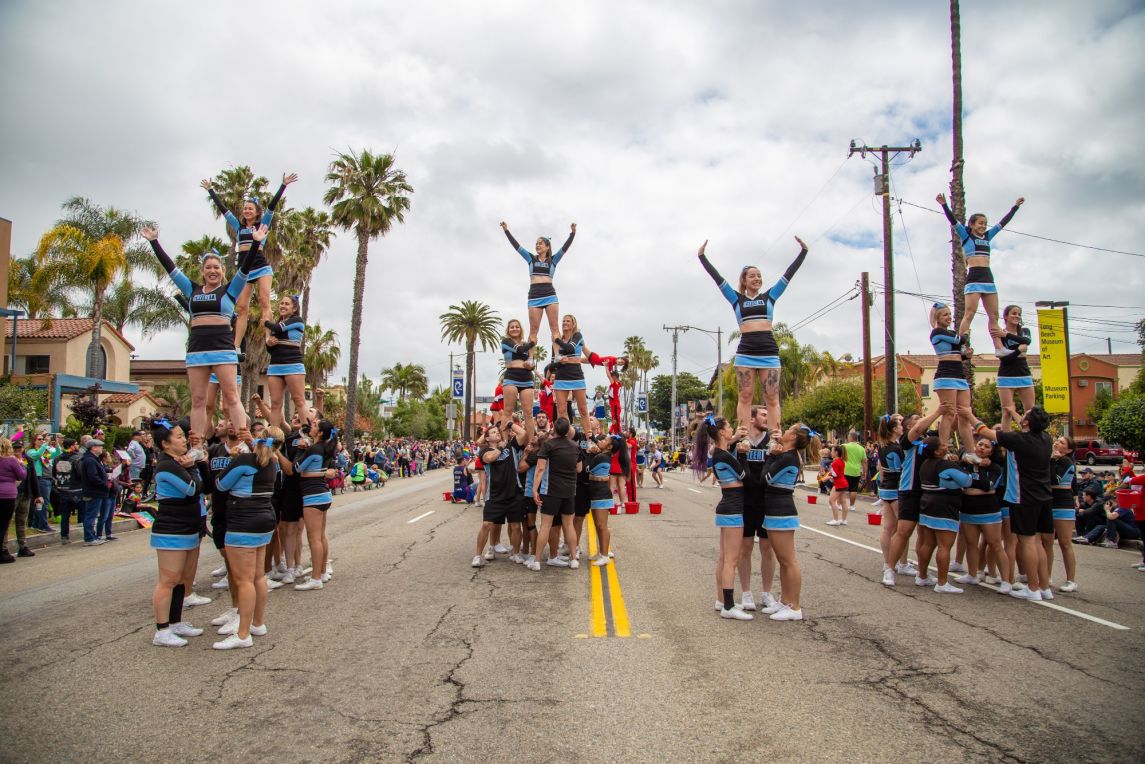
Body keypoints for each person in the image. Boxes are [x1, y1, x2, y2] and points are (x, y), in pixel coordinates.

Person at [143, 224, 265, 438]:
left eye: (216, 267)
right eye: (208, 267)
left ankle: (244, 440)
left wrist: (255, 243)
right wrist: (154, 242)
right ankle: (197, 444)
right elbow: (170, 268)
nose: (212, 271)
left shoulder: (230, 290)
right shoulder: (191, 290)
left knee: (231, 397)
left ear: (223, 271)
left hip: (223, 349)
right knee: (199, 400)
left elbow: (245, 269)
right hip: (197, 350)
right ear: (202, 271)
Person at [697, 237, 808, 429]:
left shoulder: (770, 297)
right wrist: (702, 257)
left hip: (768, 351)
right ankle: (743, 435)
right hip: (746, 351)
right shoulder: (735, 299)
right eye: (752, 276)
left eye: (759, 275)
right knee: (745, 395)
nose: (757, 278)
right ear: (744, 280)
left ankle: (775, 435)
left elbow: (788, 275)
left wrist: (803, 252)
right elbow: (717, 279)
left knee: (771, 397)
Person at [202, 172, 297, 358]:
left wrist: (283, 186)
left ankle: (269, 336)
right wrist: (211, 190)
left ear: (256, 211)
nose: (247, 211)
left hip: (261, 267)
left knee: (264, 300)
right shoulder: (238, 227)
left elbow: (271, 207)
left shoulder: (263, 225)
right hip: (244, 269)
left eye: (250, 208)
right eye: (245, 208)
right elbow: (223, 210)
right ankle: (236, 346)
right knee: (242, 307)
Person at [975, 407, 1055, 601]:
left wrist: (968, 414)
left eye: (1024, 415)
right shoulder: (1046, 439)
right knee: (1037, 542)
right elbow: (1019, 427)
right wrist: (1009, 413)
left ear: (1026, 423)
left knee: (1027, 541)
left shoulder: (1020, 440)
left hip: (1023, 497)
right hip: (1043, 496)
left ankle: (1033, 588)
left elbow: (984, 431)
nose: (1022, 417)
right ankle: (1044, 587)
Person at [211, 427, 280, 649]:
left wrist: (233, 461)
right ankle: (257, 623)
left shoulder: (244, 460)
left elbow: (220, 485)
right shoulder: (273, 462)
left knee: (244, 581)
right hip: (265, 519)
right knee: (258, 576)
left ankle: (242, 634)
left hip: (242, 521)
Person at [937, 192, 1024, 356]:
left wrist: (1016, 207)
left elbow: (1003, 223)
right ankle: (962, 345)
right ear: (971, 224)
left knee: (994, 315)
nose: (983, 226)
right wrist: (944, 205)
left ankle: (999, 347)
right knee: (969, 313)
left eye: (985, 223)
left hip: (988, 278)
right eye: (980, 223)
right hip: (974, 278)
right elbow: (953, 221)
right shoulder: (966, 235)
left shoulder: (988, 236)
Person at [147, 418, 209, 647]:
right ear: (165, 443)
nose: (184, 440)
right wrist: (192, 467)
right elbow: (192, 490)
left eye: (184, 436)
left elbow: (205, 486)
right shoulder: (166, 466)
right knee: (168, 579)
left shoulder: (181, 463)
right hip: (172, 529)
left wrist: (198, 463)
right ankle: (161, 630)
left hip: (190, 526)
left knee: (183, 578)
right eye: (180, 437)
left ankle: (175, 622)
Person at [693, 415, 752, 620]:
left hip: (728, 506)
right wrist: (743, 455)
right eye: (728, 427)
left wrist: (735, 441)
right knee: (731, 560)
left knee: (724, 558)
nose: (731, 429)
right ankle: (728, 605)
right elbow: (746, 477)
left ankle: (721, 600)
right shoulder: (723, 455)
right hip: (733, 507)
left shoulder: (719, 452)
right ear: (721, 432)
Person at [753, 423, 813, 620]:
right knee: (783, 560)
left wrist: (771, 456)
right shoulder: (787, 456)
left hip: (782, 512)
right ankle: (785, 600)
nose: (784, 431)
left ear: (794, 437)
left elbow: (765, 478)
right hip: (775, 510)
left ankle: (794, 607)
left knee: (788, 561)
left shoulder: (788, 458)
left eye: (789, 430)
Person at [885, 409, 943, 586]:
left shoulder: (930, 440)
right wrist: (938, 410)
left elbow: (948, 427)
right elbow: (918, 428)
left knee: (925, 535)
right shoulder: (907, 440)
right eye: (917, 419)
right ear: (908, 426)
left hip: (929, 491)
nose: (921, 420)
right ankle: (889, 569)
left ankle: (922, 575)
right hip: (910, 490)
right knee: (903, 531)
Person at [500, 221, 576, 346]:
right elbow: (517, 246)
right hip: (534, 295)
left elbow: (565, 248)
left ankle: (557, 356)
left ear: (547, 247)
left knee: (555, 329)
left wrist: (572, 233)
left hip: (550, 294)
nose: (537, 245)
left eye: (540, 243)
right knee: (534, 330)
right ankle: (530, 358)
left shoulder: (553, 260)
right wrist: (506, 230)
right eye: (536, 244)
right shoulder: (531, 258)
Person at [735, 406, 779, 614]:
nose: (767, 418)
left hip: (767, 500)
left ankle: (766, 592)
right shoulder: (740, 440)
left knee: (767, 549)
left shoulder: (772, 439)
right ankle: (746, 592)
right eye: (763, 415)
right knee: (745, 548)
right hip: (745, 501)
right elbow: (715, 452)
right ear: (751, 419)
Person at [472, 422, 530, 567]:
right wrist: (500, 447)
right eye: (492, 432)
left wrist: (510, 424)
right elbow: (490, 458)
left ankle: (516, 553)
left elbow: (523, 434)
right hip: (495, 495)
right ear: (487, 439)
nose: (497, 433)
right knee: (486, 525)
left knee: (516, 526)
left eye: (498, 431)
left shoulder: (511, 446)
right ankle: (478, 556)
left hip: (514, 493)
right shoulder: (484, 451)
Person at [529, 417, 581, 572]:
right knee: (569, 525)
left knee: (545, 525)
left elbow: (540, 469)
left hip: (550, 490)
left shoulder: (548, 446)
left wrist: (534, 489)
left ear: (554, 429)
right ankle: (573, 559)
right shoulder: (574, 446)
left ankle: (537, 561)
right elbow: (579, 468)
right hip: (569, 490)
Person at [955, 437, 1007, 588]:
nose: (982, 448)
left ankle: (1005, 581)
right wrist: (964, 460)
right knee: (971, 544)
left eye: (987, 446)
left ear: (992, 451)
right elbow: (954, 476)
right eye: (980, 444)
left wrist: (970, 481)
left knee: (995, 544)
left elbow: (987, 485)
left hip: (988, 509)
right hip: (967, 508)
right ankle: (972, 574)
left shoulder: (995, 467)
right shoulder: (965, 463)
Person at [294, 420, 338, 590]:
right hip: (323, 494)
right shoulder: (327, 448)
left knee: (314, 539)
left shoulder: (314, 449)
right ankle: (322, 571)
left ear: (320, 433)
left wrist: (300, 449)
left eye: (314, 426)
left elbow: (297, 467)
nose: (310, 428)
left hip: (313, 496)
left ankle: (316, 578)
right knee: (320, 536)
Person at [264, 294, 316, 431]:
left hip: (292, 364)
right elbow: (270, 349)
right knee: (275, 403)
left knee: (299, 400)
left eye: (287, 304)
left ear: (294, 308)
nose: (282, 306)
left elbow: (277, 329)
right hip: (275, 365)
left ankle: (307, 432)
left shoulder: (296, 320)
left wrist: (265, 320)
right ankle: (273, 435)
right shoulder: (277, 323)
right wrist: (268, 342)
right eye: (281, 303)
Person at [929, 302, 976, 451]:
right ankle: (943, 448)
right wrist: (966, 332)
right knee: (949, 413)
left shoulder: (950, 333)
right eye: (945, 315)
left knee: (965, 414)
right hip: (945, 375)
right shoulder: (937, 332)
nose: (949, 317)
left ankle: (971, 451)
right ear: (937, 317)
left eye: (950, 314)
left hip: (959, 375)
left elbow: (956, 354)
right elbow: (960, 340)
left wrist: (965, 355)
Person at [993, 305, 1035, 430]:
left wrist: (1006, 336)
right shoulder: (998, 333)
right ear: (1006, 316)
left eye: (1019, 314)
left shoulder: (1024, 331)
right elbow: (1004, 358)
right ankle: (1008, 447)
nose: (1017, 316)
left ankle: (1029, 439)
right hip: (1006, 375)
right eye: (1013, 313)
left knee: (1030, 412)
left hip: (1023, 373)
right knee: (1006, 412)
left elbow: (1027, 342)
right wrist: (1018, 350)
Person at [876, 415, 905, 585]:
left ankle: (887, 562)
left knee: (888, 528)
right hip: (895, 489)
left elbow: (882, 468)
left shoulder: (882, 445)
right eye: (900, 424)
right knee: (901, 529)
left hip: (886, 489)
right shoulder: (894, 448)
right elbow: (898, 469)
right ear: (894, 429)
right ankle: (898, 563)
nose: (902, 426)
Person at [552, 315, 593, 433]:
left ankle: (589, 438)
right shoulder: (557, 341)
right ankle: (565, 437)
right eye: (563, 321)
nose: (565, 323)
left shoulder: (577, 336)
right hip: (561, 377)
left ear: (573, 324)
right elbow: (553, 362)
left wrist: (557, 340)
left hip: (576, 376)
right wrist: (559, 362)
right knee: (561, 410)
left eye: (568, 321)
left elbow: (570, 348)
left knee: (583, 409)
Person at [585, 433, 621, 567]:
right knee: (598, 525)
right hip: (596, 493)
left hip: (601, 495)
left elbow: (587, 469)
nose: (600, 441)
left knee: (602, 526)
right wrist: (593, 438)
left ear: (610, 446)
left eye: (605, 440)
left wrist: (589, 454)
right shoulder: (604, 455)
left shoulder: (601, 457)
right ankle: (601, 552)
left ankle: (605, 555)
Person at [1049, 436, 1079, 592]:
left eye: (1061, 442)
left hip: (1063, 504)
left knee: (1065, 543)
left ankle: (1071, 580)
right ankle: (1046, 576)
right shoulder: (1052, 459)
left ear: (1068, 450)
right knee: (1046, 542)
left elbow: (1054, 479)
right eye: (1057, 440)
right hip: (1048, 502)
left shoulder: (1066, 461)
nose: (1056, 443)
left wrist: (1052, 460)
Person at [499, 319, 536, 429]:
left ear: (520, 329)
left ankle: (530, 443)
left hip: (527, 378)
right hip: (511, 377)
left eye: (517, 327)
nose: (514, 329)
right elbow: (519, 350)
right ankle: (504, 442)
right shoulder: (506, 341)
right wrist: (533, 342)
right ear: (508, 330)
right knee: (508, 411)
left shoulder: (526, 345)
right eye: (512, 327)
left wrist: (531, 365)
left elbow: (531, 362)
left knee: (529, 413)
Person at [0, 437, 29, 564]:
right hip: (7, 494)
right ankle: (1, 552)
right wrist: (21, 464)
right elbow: (22, 475)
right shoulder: (11, 460)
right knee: (3, 524)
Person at [51, 438, 84, 545]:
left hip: (62, 489)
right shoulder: (77, 458)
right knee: (84, 512)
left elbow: (54, 473)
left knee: (65, 515)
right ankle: (88, 535)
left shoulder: (57, 459)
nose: (77, 446)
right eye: (76, 444)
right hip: (76, 490)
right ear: (71, 446)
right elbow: (80, 474)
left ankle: (64, 536)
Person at [78, 439, 111, 547]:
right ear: (93, 448)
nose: (101, 448)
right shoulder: (90, 460)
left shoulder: (93, 459)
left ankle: (93, 536)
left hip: (96, 491)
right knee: (91, 515)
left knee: (93, 514)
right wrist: (104, 484)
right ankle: (89, 538)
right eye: (99, 446)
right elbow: (93, 477)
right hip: (93, 491)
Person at [25, 432, 59, 532]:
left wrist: (56, 445)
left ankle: (36, 523)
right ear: (34, 441)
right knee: (43, 502)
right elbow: (36, 455)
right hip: (40, 478)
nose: (42, 440)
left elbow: (56, 454)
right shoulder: (31, 451)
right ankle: (43, 524)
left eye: (42, 439)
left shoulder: (44, 451)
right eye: (39, 439)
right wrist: (45, 445)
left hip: (47, 478)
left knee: (42, 503)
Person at [842, 431, 867, 516]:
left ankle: (843, 504)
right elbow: (864, 462)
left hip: (845, 470)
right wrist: (864, 472)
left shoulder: (844, 446)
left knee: (844, 488)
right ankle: (852, 506)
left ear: (850, 438)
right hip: (856, 471)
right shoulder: (861, 448)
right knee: (853, 489)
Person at [826, 446, 849, 526]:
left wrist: (829, 473)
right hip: (844, 483)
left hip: (839, 484)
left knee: (831, 501)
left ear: (836, 452)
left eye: (832, 451)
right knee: (843, 502)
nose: (831, 453)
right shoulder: (842, 461)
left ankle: (835, 520)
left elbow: (835, 474)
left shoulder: (835, 462)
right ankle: (844, 520)